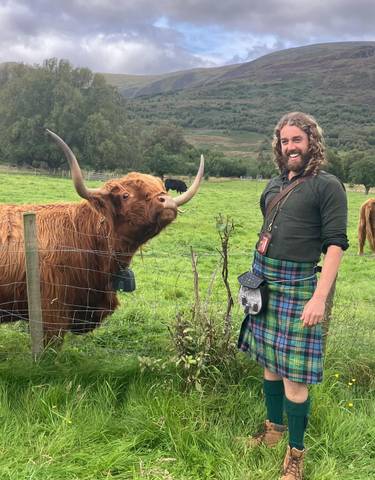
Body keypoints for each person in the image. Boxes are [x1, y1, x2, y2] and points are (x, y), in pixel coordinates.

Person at [238, 112, 348, 479]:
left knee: (294, 377)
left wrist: (318, 297)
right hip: (265, 281)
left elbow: (335, 245)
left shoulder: (327, 186)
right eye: (285, 141)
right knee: (269, 363)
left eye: (296, 140)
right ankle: (273, 431)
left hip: (299, 285)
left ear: (311, 142)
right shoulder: (273, 184)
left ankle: (296, 456)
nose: (290, 147)